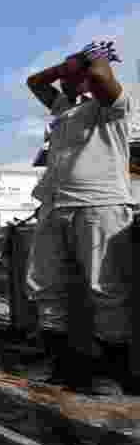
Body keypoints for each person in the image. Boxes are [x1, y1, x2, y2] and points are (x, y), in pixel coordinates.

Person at [24, 39, 136, 395]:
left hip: (98, 205)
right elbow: (34, 82)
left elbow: (103, 76)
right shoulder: (62, 109)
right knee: (45, 285)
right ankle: (61, 365)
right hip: (56, 205)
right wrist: (66, 66)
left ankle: (112, 373)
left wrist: (92, 61)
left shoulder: (112, 107)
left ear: (87, 79)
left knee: (105, 288)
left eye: (75, 75)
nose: (65, 82)